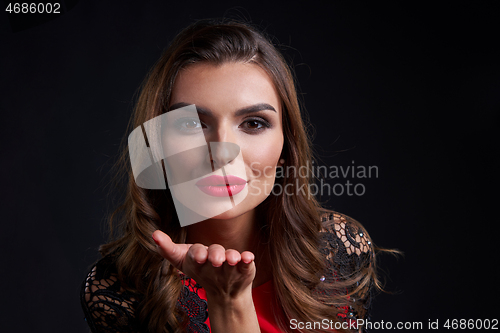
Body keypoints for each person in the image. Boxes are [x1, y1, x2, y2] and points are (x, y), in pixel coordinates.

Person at [81, 18, 390, 333]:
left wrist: (231, 300)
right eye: (192, 124)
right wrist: (226, 301)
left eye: (254, 123)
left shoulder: (336, 249)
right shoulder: (119, 292)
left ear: (287, 148)